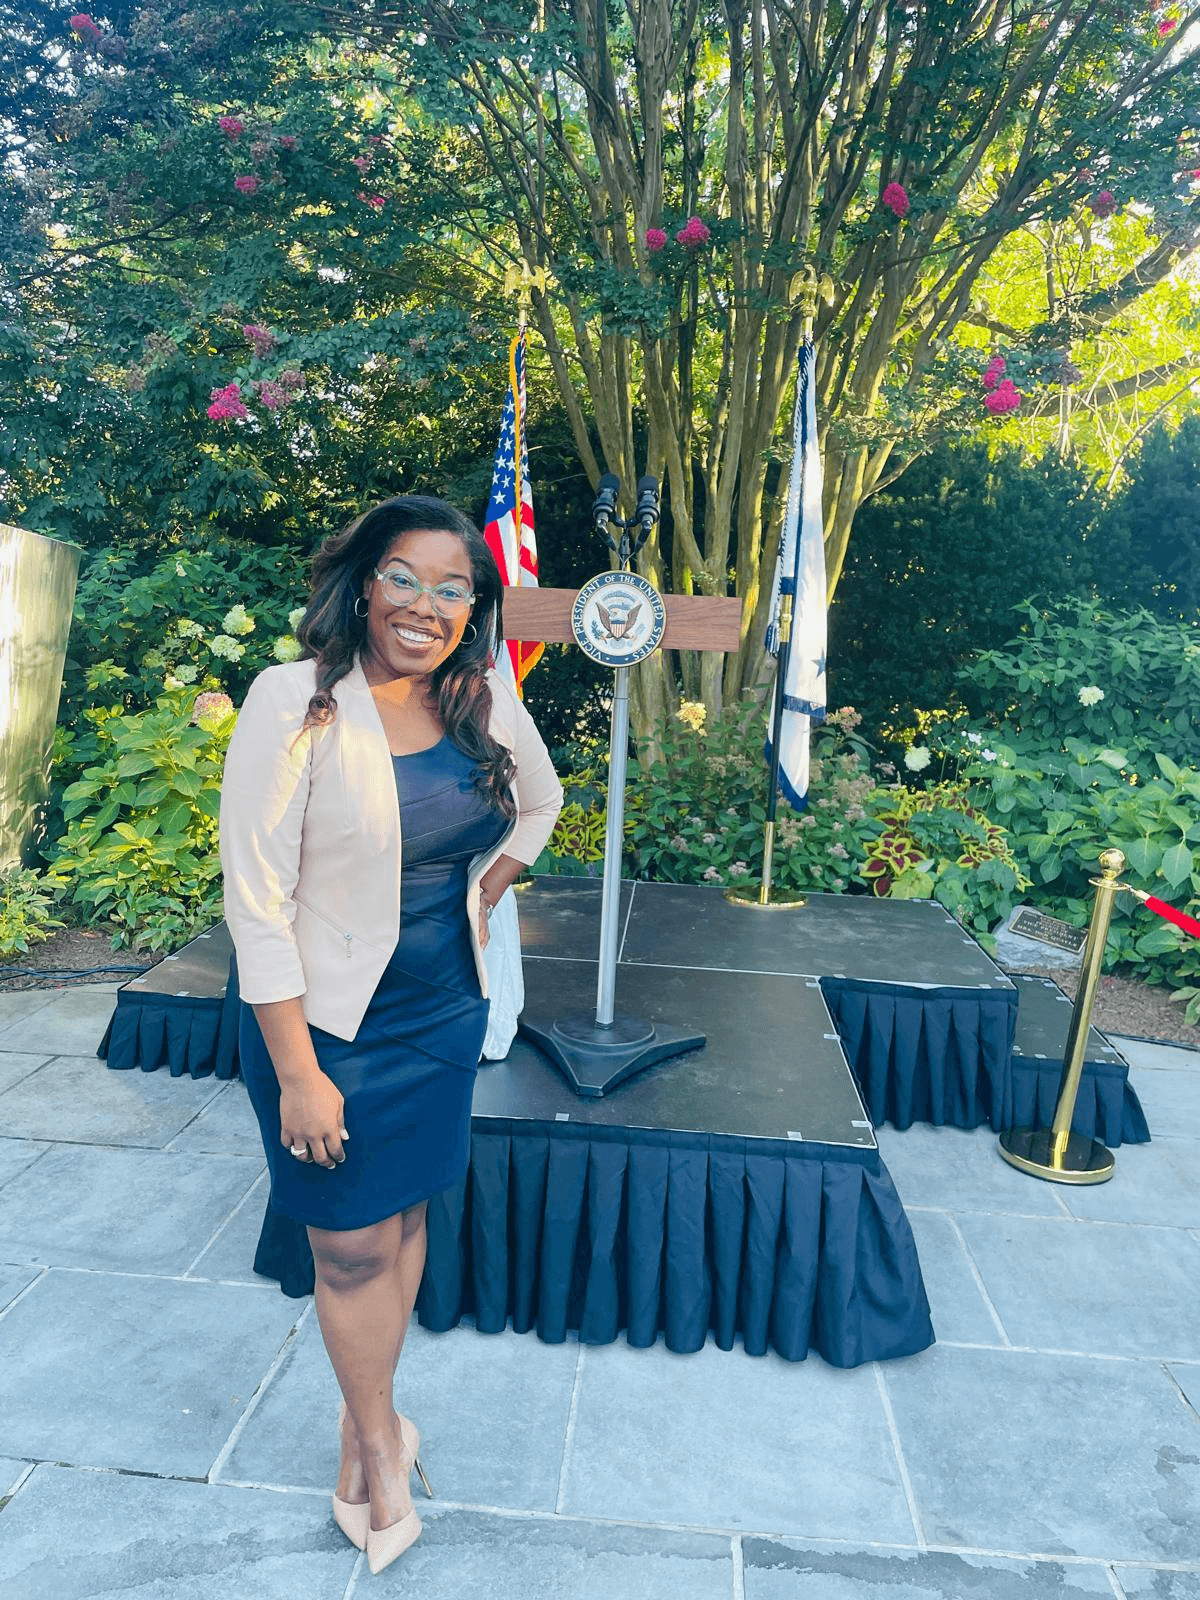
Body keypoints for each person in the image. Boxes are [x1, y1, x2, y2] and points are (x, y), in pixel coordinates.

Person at [219, 495, 563, 1574]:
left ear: (475, 607)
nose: (425, 604)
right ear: (365, 583)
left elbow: (542, 803)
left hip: (441, 1009)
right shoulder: (295, 701)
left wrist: (488, 890)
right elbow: (255, 904)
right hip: (323, 1024)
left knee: (403, 1215)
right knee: (350, 1241)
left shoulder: (481, 694)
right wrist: (297, 1073)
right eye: (404, 577)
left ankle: (369, 1414)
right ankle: (377, 1444)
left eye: (453, 587)